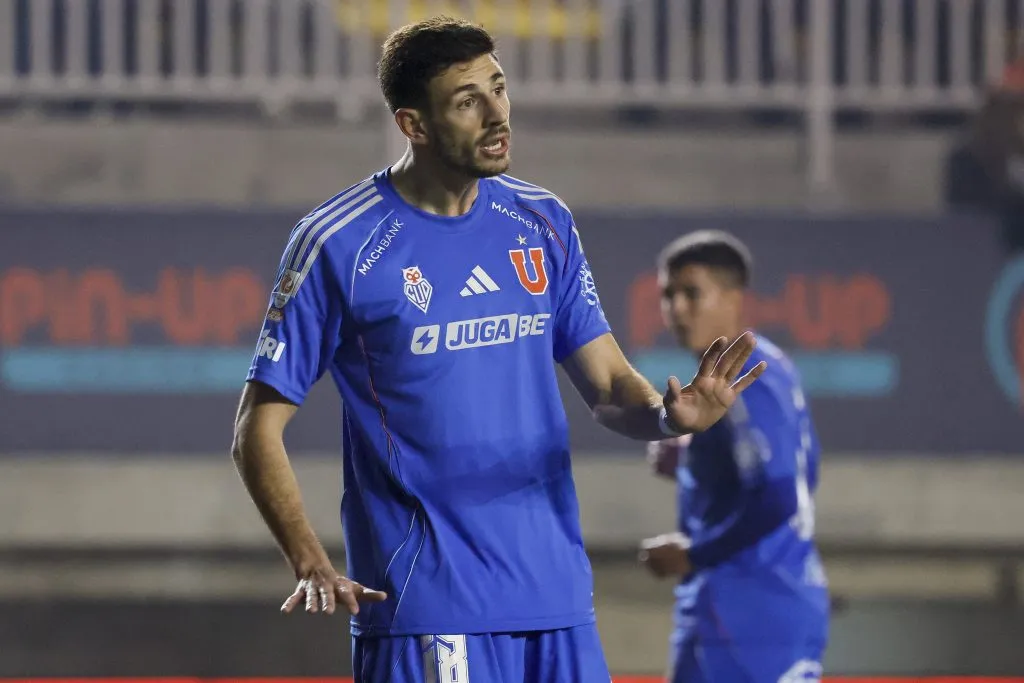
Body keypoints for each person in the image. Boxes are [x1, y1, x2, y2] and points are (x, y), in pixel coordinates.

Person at [230, 17, 765, 682]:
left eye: (499, 89)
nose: (496, 115)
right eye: (466, 101)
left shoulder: (543, 221)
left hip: (558, 600)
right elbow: (256, 428)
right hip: (432, 607)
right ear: (413, 124)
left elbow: (607, 384)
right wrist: (309, 557)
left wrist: (666, 416)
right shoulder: (340, 244)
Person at [638, 230, 830, 683]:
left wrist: (695, 554)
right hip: (763, 603)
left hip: (746, 610)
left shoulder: (745, 379)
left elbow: (780, 494)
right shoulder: (772, 366)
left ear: (733, 298)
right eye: (668, 295)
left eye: (691, 293)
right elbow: (803, 471)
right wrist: (696, 463)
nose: (676, 308)